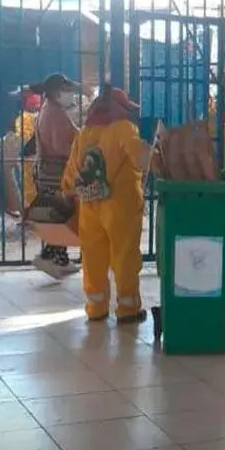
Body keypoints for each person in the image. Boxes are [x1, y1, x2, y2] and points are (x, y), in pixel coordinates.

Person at [62, 85, 151, 323]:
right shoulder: (124, 129)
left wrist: (68, 192)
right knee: (124, 256)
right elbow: (140, 158)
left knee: (93, 257)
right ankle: (127, 308)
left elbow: (72, 173)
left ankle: (96, 307)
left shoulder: (85, 133)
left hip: (90, 207)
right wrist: (154, 154)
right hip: (121, 207)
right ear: (117, 109)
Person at [29, 73, 81, 279]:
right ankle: (48, 256)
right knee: (61, 214)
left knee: (59, 213)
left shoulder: (49, 109)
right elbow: (61, 146)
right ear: (56, 92)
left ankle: (60, 259)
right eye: (67, 90)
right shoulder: (55, 114)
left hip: (49, 170)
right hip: (56, 170)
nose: (70, 94)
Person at [14, 88, 41, 212]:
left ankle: (31, 212)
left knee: (29, 186)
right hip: (37, 154)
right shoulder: (40, 115)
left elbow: (24, 137)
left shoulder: (24, 117)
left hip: (28, 155)